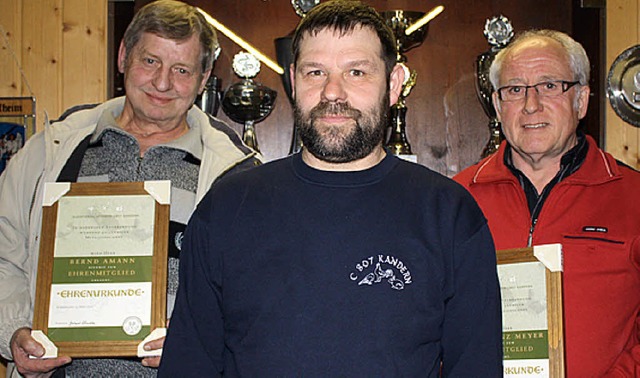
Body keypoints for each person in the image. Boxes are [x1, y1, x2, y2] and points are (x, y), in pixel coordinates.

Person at [159, 1, 502, 376]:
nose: (332, 92)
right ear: (293, 81)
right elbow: (188, 365)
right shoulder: (227, 207)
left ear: (393, 84)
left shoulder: (449, 214)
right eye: (315, 72)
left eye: (356, 72)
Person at [0, 0, 260, 376]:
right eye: (150, 61)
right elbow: (4, 256)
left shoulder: (239, 175)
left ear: (204, 80)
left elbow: (257, 298)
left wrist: (200, 343)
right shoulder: (51, 151)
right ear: (123, 56)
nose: (162, 83)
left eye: (182, 69)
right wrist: (14, 331)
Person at [454, 29, 640, 376]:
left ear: (581, 100)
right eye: (515, 90)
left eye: (550, 86)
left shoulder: (633, 196)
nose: (530, 105)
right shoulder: (455, 199)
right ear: (497, 105)